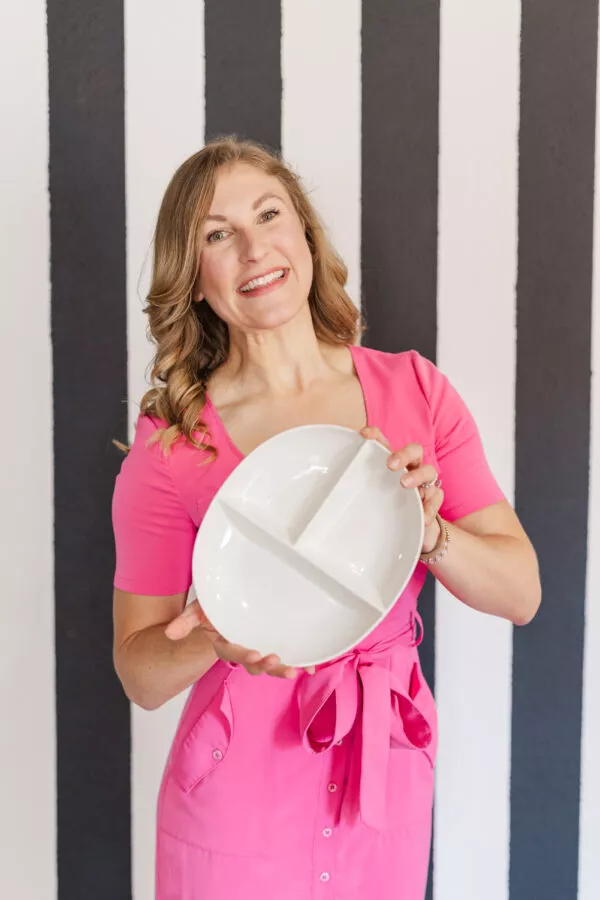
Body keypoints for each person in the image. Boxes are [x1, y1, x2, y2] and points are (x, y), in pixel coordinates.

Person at [111, 137, 541, 900]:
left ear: (305, 234)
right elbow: (140, 674)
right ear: (196, 279)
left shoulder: (416, 391)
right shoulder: (173, 448)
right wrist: (214, 636)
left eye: (269, 214)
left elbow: (520, 592)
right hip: (235, 798)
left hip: (384, 776)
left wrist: (431, 530)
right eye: (217, 234)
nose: (253, 248)